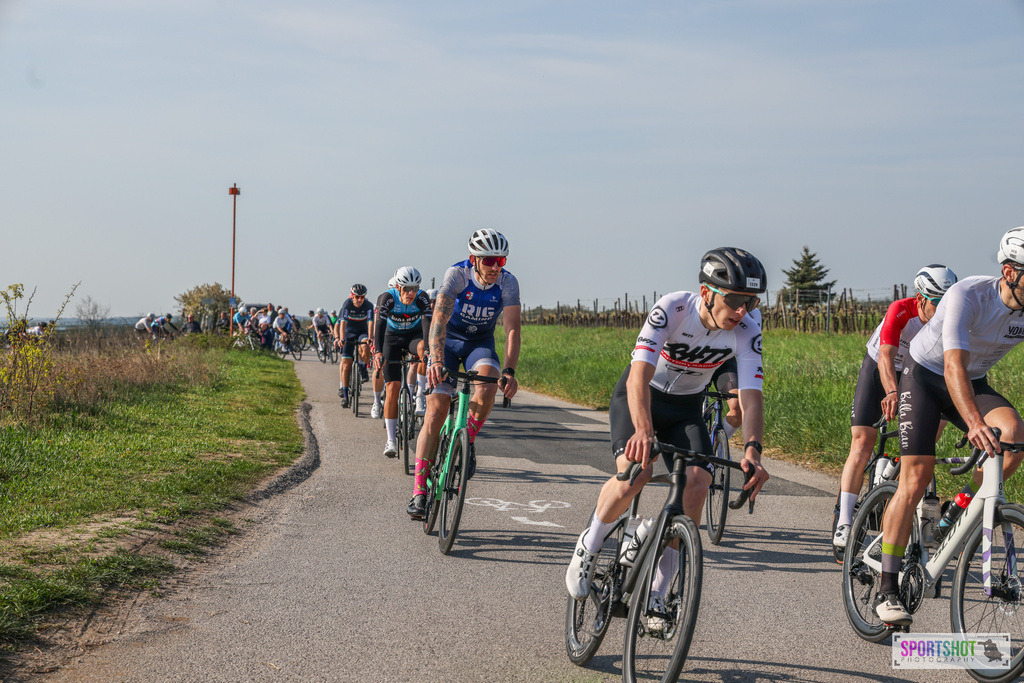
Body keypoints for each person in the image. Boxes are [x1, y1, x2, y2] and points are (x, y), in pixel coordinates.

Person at [564, 247, 770, 612]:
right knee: (635, 473)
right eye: (736, 300)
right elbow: (639, 375)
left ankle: (659, 592)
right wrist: (643, 430)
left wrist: (752, 449)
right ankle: (589, 545)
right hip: (642, 396)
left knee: (698, 481)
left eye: (751, 302)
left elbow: (751, 397)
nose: (742, 311)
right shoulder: (674, 308)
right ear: (706, 292)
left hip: (684, 410)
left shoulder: (747, 329)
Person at [873, 229, 1024, 627]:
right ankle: (886, 585)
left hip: (971, 382)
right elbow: (953, 363)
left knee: (1014, 437)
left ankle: (955, 510)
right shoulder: (969, 296)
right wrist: (973, 423)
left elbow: (967, 377)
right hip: (927, 376)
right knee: (917, 476)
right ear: (1009, 272)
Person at [832, 264, 958, 557]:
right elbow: (886, 357)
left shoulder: (950, 317)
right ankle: (845, 521)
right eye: (937, 304)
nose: (942, 312)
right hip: (882, 368)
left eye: (947, 304)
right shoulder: (901, 310)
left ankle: (891, 470)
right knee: (863, 440)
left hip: (921, 373)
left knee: (928, 438)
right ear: (920, 297)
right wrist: (891, 392)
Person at [406, 229, 521, 519]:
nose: (496, 266)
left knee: (486, 390)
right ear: (474, 259)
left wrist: (509, 371)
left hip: (479, 344)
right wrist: (433, 358)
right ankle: (419, 491)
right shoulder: (457, 275)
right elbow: (439, 319)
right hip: (448, 341)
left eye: (501, 260)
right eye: (489, 260)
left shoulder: (508, 283)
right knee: (436, 409)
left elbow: (512, 329)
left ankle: (466, 439)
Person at [373, 268, 432, 457]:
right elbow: (379, 326)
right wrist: (378, 352)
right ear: (398, 286)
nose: (411, 293)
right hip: (392, 338)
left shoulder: (421, 298)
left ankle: (421, 396)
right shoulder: (387, 298)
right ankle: (390, 439)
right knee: (392, 387)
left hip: (413, 337)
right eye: (406, 289)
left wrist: (429, 352)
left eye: (414, 288)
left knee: (425, 348)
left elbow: (427, 325)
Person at [337, 285, 374, 407]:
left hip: (362, 332)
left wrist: (370, 338)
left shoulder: (368, 305)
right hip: (349, 332)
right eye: (357, 297)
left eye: (362, 297)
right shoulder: (347, 304)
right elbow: (342, 324)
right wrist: (341, 339)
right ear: (352, 295)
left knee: (365, 347)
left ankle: (363, 368)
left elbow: (370, 323)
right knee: (346, 365)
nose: (359, 300)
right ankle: (345, 395)